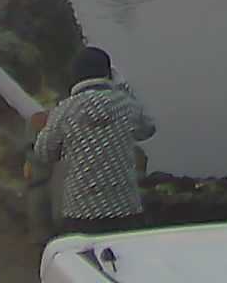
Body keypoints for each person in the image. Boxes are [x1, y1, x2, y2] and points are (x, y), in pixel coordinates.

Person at [28, 45, 158, 240]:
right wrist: (124, 87)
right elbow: (148, 128)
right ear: (109, 73)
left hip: (81, 213)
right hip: (126, 210)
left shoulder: (65, 110)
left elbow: (43, 152)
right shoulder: (125, 105)